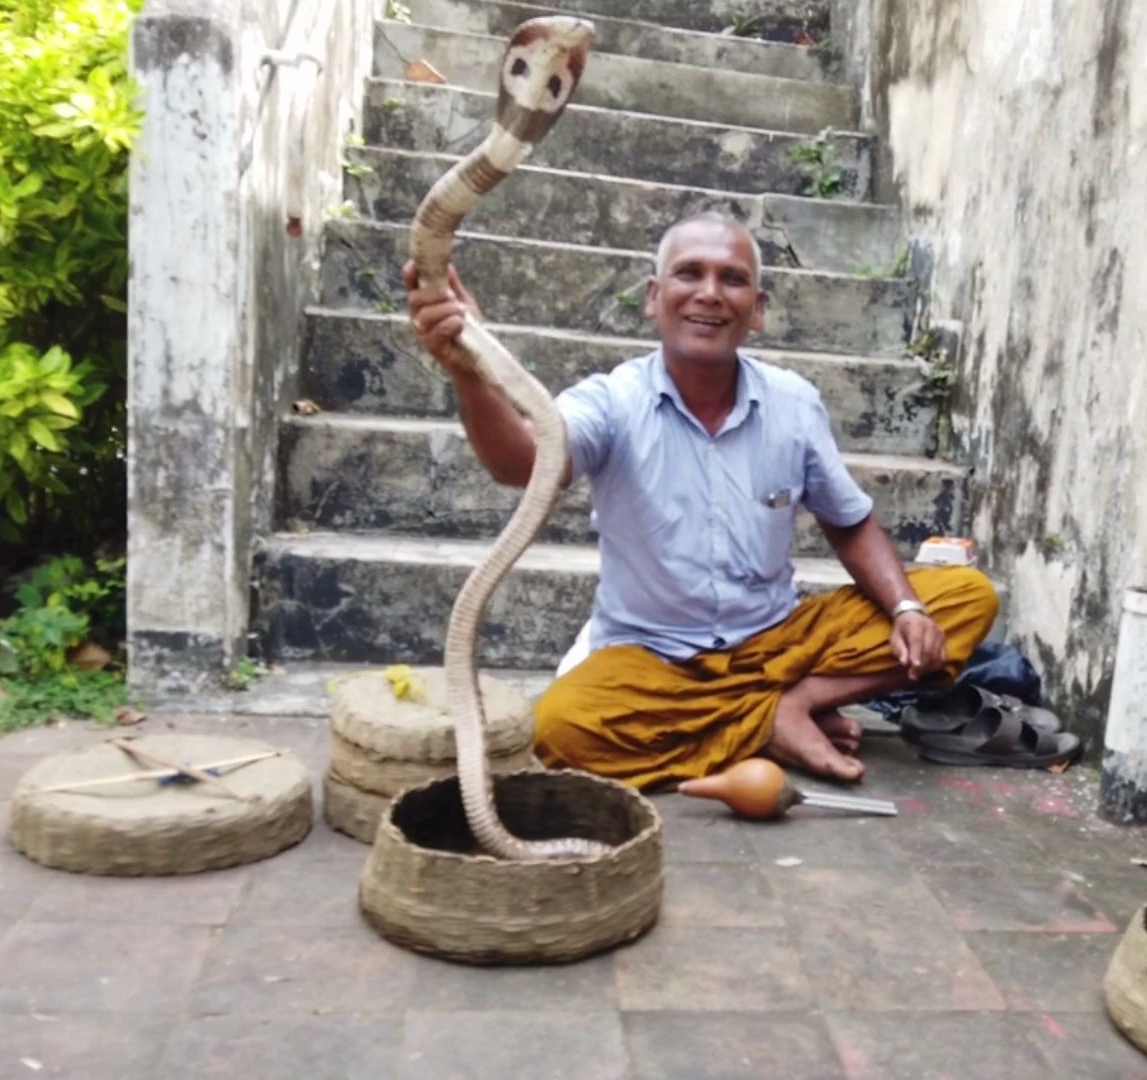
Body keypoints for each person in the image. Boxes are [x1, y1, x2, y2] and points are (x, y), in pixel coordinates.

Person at [403, 211, 998, 787]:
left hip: (776, 644)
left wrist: (906, 610)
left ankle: (792, 706)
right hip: (653, 661)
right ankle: (766, 723)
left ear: (758, 310)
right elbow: (521, 463)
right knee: (558, 730)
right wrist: (470, 372)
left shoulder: (793, 404)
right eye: (690, 274)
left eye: (733, 279)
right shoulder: (612, 401)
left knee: (963, 596)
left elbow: (850, 524)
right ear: (653, 297)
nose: (710, 294)